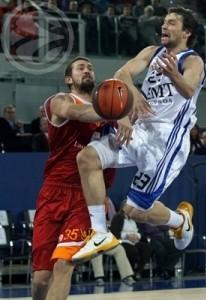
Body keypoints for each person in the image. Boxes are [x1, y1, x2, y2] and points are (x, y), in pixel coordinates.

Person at [72, 7, 205, 262]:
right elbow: (121, 74)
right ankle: (99, 232)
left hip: (168, 140)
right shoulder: (152, 51)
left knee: (133, 210)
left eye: (172, 23)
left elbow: (188, 90)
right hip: (139, 128)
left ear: (186, 32)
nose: (165, 26)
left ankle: (180, 219)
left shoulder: (192, 60)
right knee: (87, 158)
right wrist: (132, 95)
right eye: (164, 22)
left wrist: (172, 73)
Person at [31, 56, 119, 300]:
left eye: (91, 67)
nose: (88, 70)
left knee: (64, 265)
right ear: (69, 79)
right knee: (41, 278)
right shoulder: (60, 101)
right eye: (81, 68)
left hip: (85, 196)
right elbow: (76, 113)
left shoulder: (110, 110)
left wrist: (123, 114)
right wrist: (114, 110)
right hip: (54, 191)